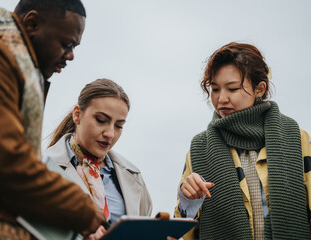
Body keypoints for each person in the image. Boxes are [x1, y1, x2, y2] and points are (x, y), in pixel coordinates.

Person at [0, 0, 106, 239]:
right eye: (66, 44)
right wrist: (83, 210)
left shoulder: (11, 68)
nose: (72, 56)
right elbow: (0, 166)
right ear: (32, 23)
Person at [174, 42, 311, 239]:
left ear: (260, 89)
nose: (221, 99)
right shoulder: (199, 149)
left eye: (232, 89)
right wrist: (187, 199)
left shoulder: (298, 140)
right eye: (214, 89)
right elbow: (182, 231)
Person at [45, 78, 153, 239]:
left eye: (119, 126)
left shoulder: (133, 176)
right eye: (101, 120)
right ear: (77, 115)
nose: (110, 133)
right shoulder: (44, 167)